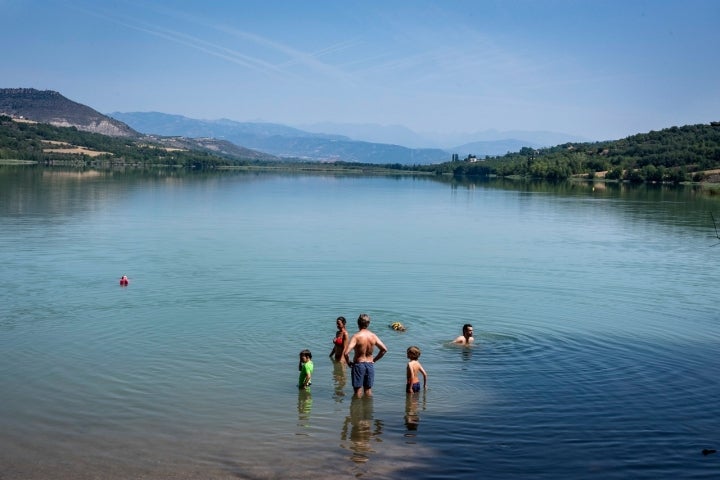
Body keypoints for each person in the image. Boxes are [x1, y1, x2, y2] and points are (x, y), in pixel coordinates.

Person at [343, 313, 388, 398]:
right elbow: (384, 350)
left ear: (358, 323)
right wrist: (374, 360)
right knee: (368, 391)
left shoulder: (356, 336)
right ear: (368, 323)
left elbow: (346, 353)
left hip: (359, 365)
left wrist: (348, 363)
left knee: (358, 391)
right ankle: (367, 410)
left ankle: (357, 410)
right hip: (369, 365)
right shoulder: (373, 336)